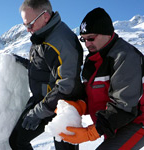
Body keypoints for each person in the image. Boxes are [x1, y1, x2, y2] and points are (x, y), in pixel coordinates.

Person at [59, 7, 144, 150]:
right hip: (114, 124)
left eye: (91, 38)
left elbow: (125, 105)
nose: (87, 44)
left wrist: (91, 133)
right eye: (83, 39)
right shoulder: (92, 60)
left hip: (136, 122)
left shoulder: (125, 56)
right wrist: (79, 105)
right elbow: (92, 95)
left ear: (107, 33)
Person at [9, 0, 84, 149]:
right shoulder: (43, 33)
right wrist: (27, 64)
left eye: (30, 24)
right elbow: (47, 66)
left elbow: (66, 86)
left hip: (64, 105)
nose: (28, 29)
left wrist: (38, 113)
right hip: (45, 100)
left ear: (45, 16)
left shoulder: (61, 41)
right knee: (17, 140)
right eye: (25, 25)